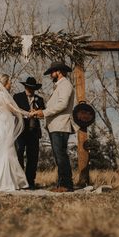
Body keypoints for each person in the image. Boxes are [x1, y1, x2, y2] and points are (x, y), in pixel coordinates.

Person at [32, 62, 79, 192]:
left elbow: (63, 104)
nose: (50, 75)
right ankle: (61, 184)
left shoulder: (65, 85)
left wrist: (44, 112)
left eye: (52, 72)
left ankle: (66, 185)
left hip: (61, 125)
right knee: (59, 156)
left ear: (58, 72)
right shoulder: (59, 86)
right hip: (55, 126)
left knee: (61, 155)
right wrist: (41, 114)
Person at [13, 77, 45, 190]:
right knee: (19, 154)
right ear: (25, 87)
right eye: (29, 88)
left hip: (34, 131)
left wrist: (35, 113)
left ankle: (30, 182)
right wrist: (26, 114)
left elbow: (43, 114)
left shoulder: (39, 99)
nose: (31, 90)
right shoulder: (17, 97)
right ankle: (20, 181)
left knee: (33, 156)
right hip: (20, 131)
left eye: (33, 88)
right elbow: (14, 112)